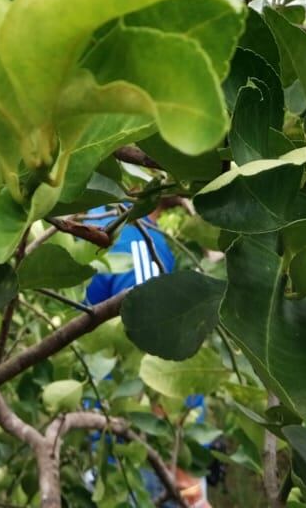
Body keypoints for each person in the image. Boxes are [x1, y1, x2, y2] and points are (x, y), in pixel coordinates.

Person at [82, 206, 210, 507]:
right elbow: (152, 364)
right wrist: (185, 481)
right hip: (150, 458)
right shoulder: (137, 239)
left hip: (118, 448)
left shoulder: (100, 219)